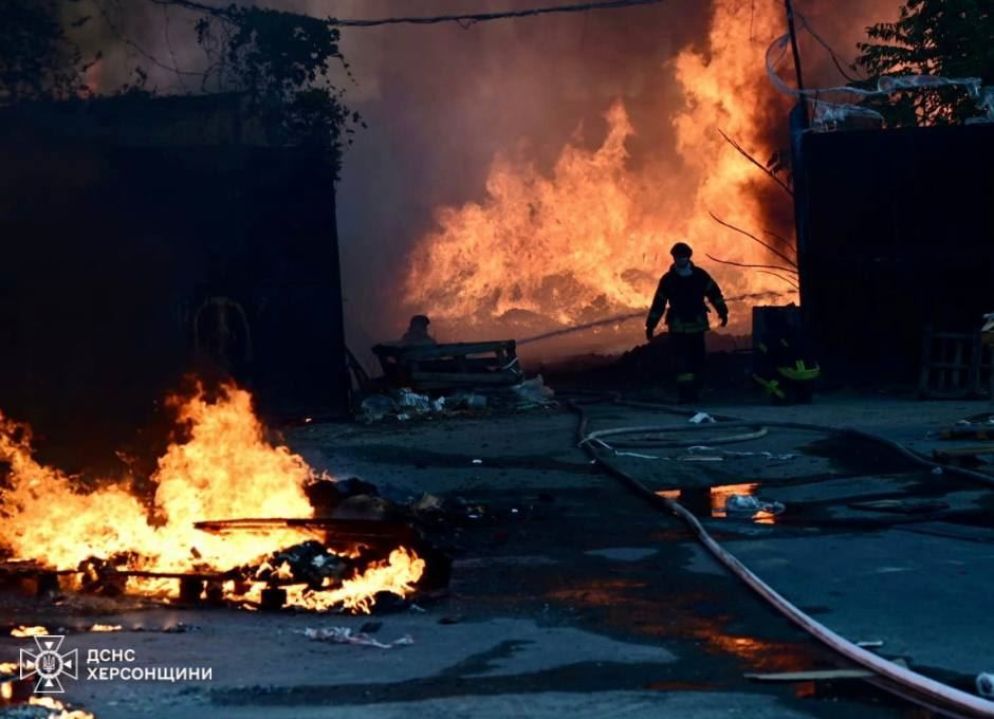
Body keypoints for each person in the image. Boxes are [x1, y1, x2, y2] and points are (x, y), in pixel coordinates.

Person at [645, 242, 728, 402]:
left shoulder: (700, 276)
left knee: (698, 360)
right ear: (673, 258)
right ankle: (685, 394)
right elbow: (659, 304)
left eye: (683, 257)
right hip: (678, 328)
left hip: (697, 327)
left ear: (688, 257)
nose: (680, 260)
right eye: (677, 257)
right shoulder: (668, 280)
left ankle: (696, 392)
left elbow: (715, 294)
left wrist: (723, 312)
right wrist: (651, 325)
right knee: (681, 362)